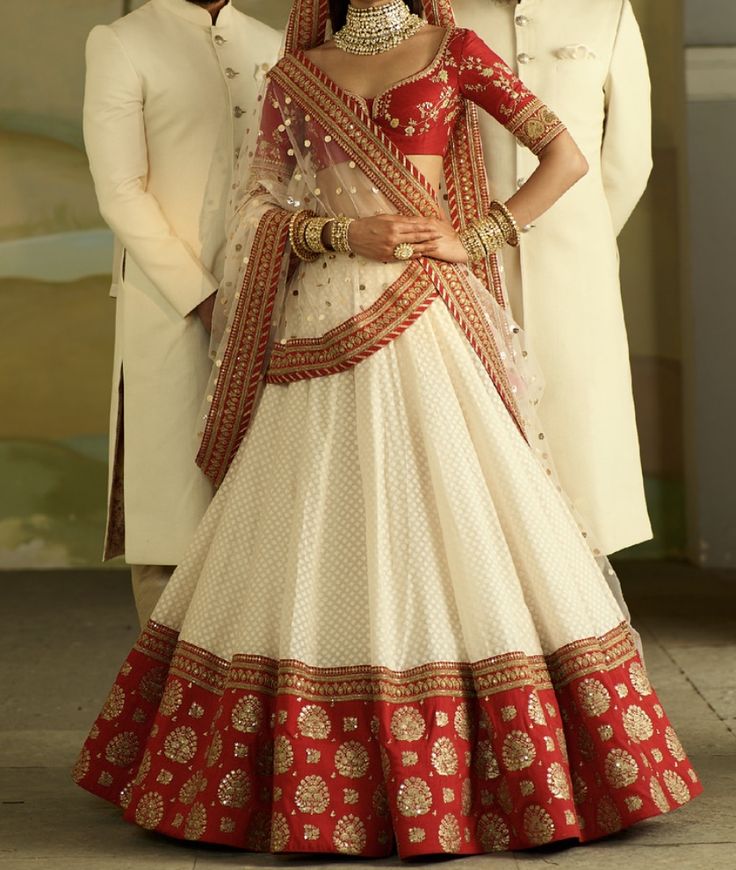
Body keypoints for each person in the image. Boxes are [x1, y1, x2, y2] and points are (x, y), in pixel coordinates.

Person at [73, 0, 700, 858]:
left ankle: (515, 775)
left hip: (430, 318)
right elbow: (256, 205)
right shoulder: (297, 71)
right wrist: (336, 230)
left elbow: (565, 153)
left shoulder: (452, 49)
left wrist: (480, 232)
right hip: (318, 320)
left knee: (455, 521)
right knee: (313, 533)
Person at [83, 0, 281, 626]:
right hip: (168, 307)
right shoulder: (122, 41)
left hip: (278, 295)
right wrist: (201, 295)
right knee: (172, 511)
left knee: (272, 507)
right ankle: (165, 709)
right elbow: (120, 191)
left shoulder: (274, 43)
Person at [453, 0, 653, 555]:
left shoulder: (606, 11)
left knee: (579, 430)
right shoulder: (445, 12)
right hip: (469, 263)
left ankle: (588, 606)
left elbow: (629, 158)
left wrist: (585, 241)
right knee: (482, 431)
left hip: (577, 267)